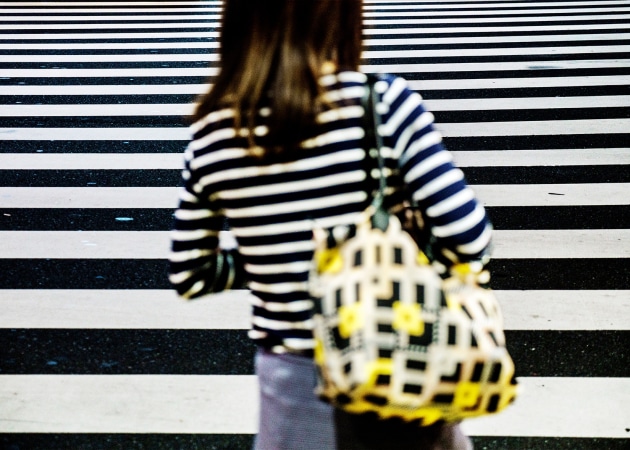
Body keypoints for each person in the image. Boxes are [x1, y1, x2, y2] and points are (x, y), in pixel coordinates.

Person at [169, 1, 489, 448]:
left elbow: (190, 274)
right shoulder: (381, 106)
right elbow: (469, 237)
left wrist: (278, 255)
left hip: (292, 383)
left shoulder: (214, 134)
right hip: (394, 363)